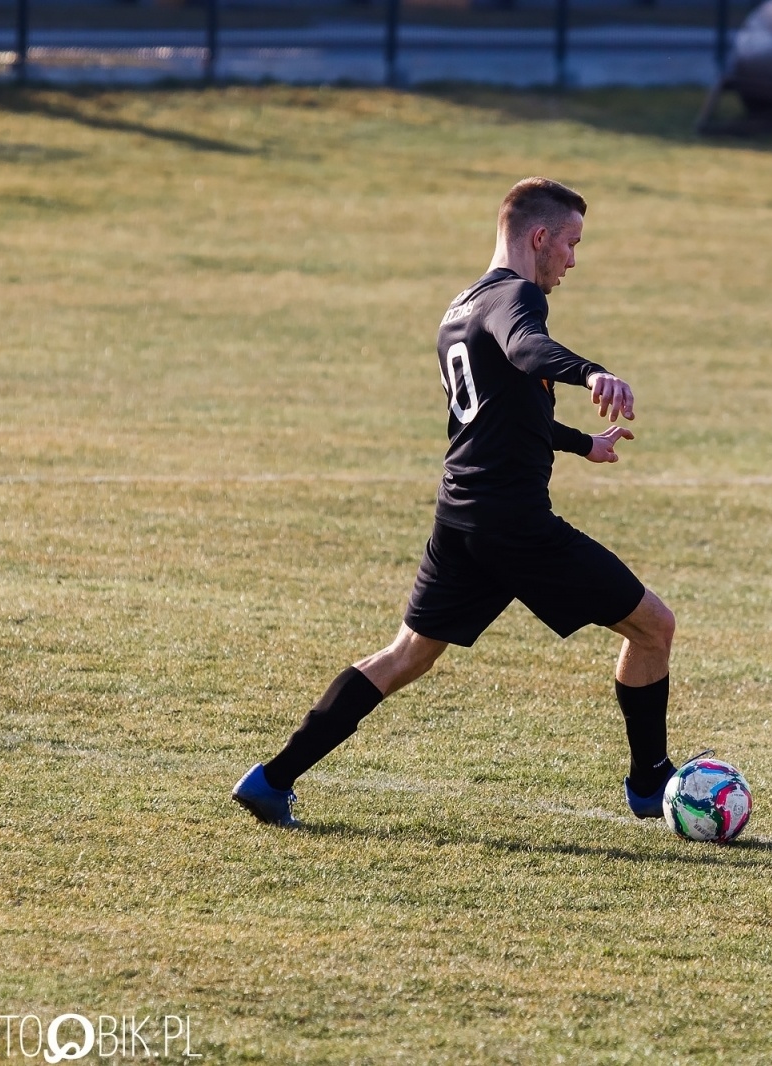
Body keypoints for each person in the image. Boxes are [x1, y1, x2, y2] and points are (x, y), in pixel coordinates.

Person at [232, 177, 678, 827]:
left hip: (461, 516)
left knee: (408, 653)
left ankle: (271, 779)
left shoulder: (459, 307)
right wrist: (591, 373)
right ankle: (650, 784)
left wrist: (582, 444)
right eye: (573, 244)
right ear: (539, 236)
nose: (574, 261)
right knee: (653, 627)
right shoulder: (516, 298)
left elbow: (497, 412)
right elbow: (528, 351)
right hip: (513, 522)